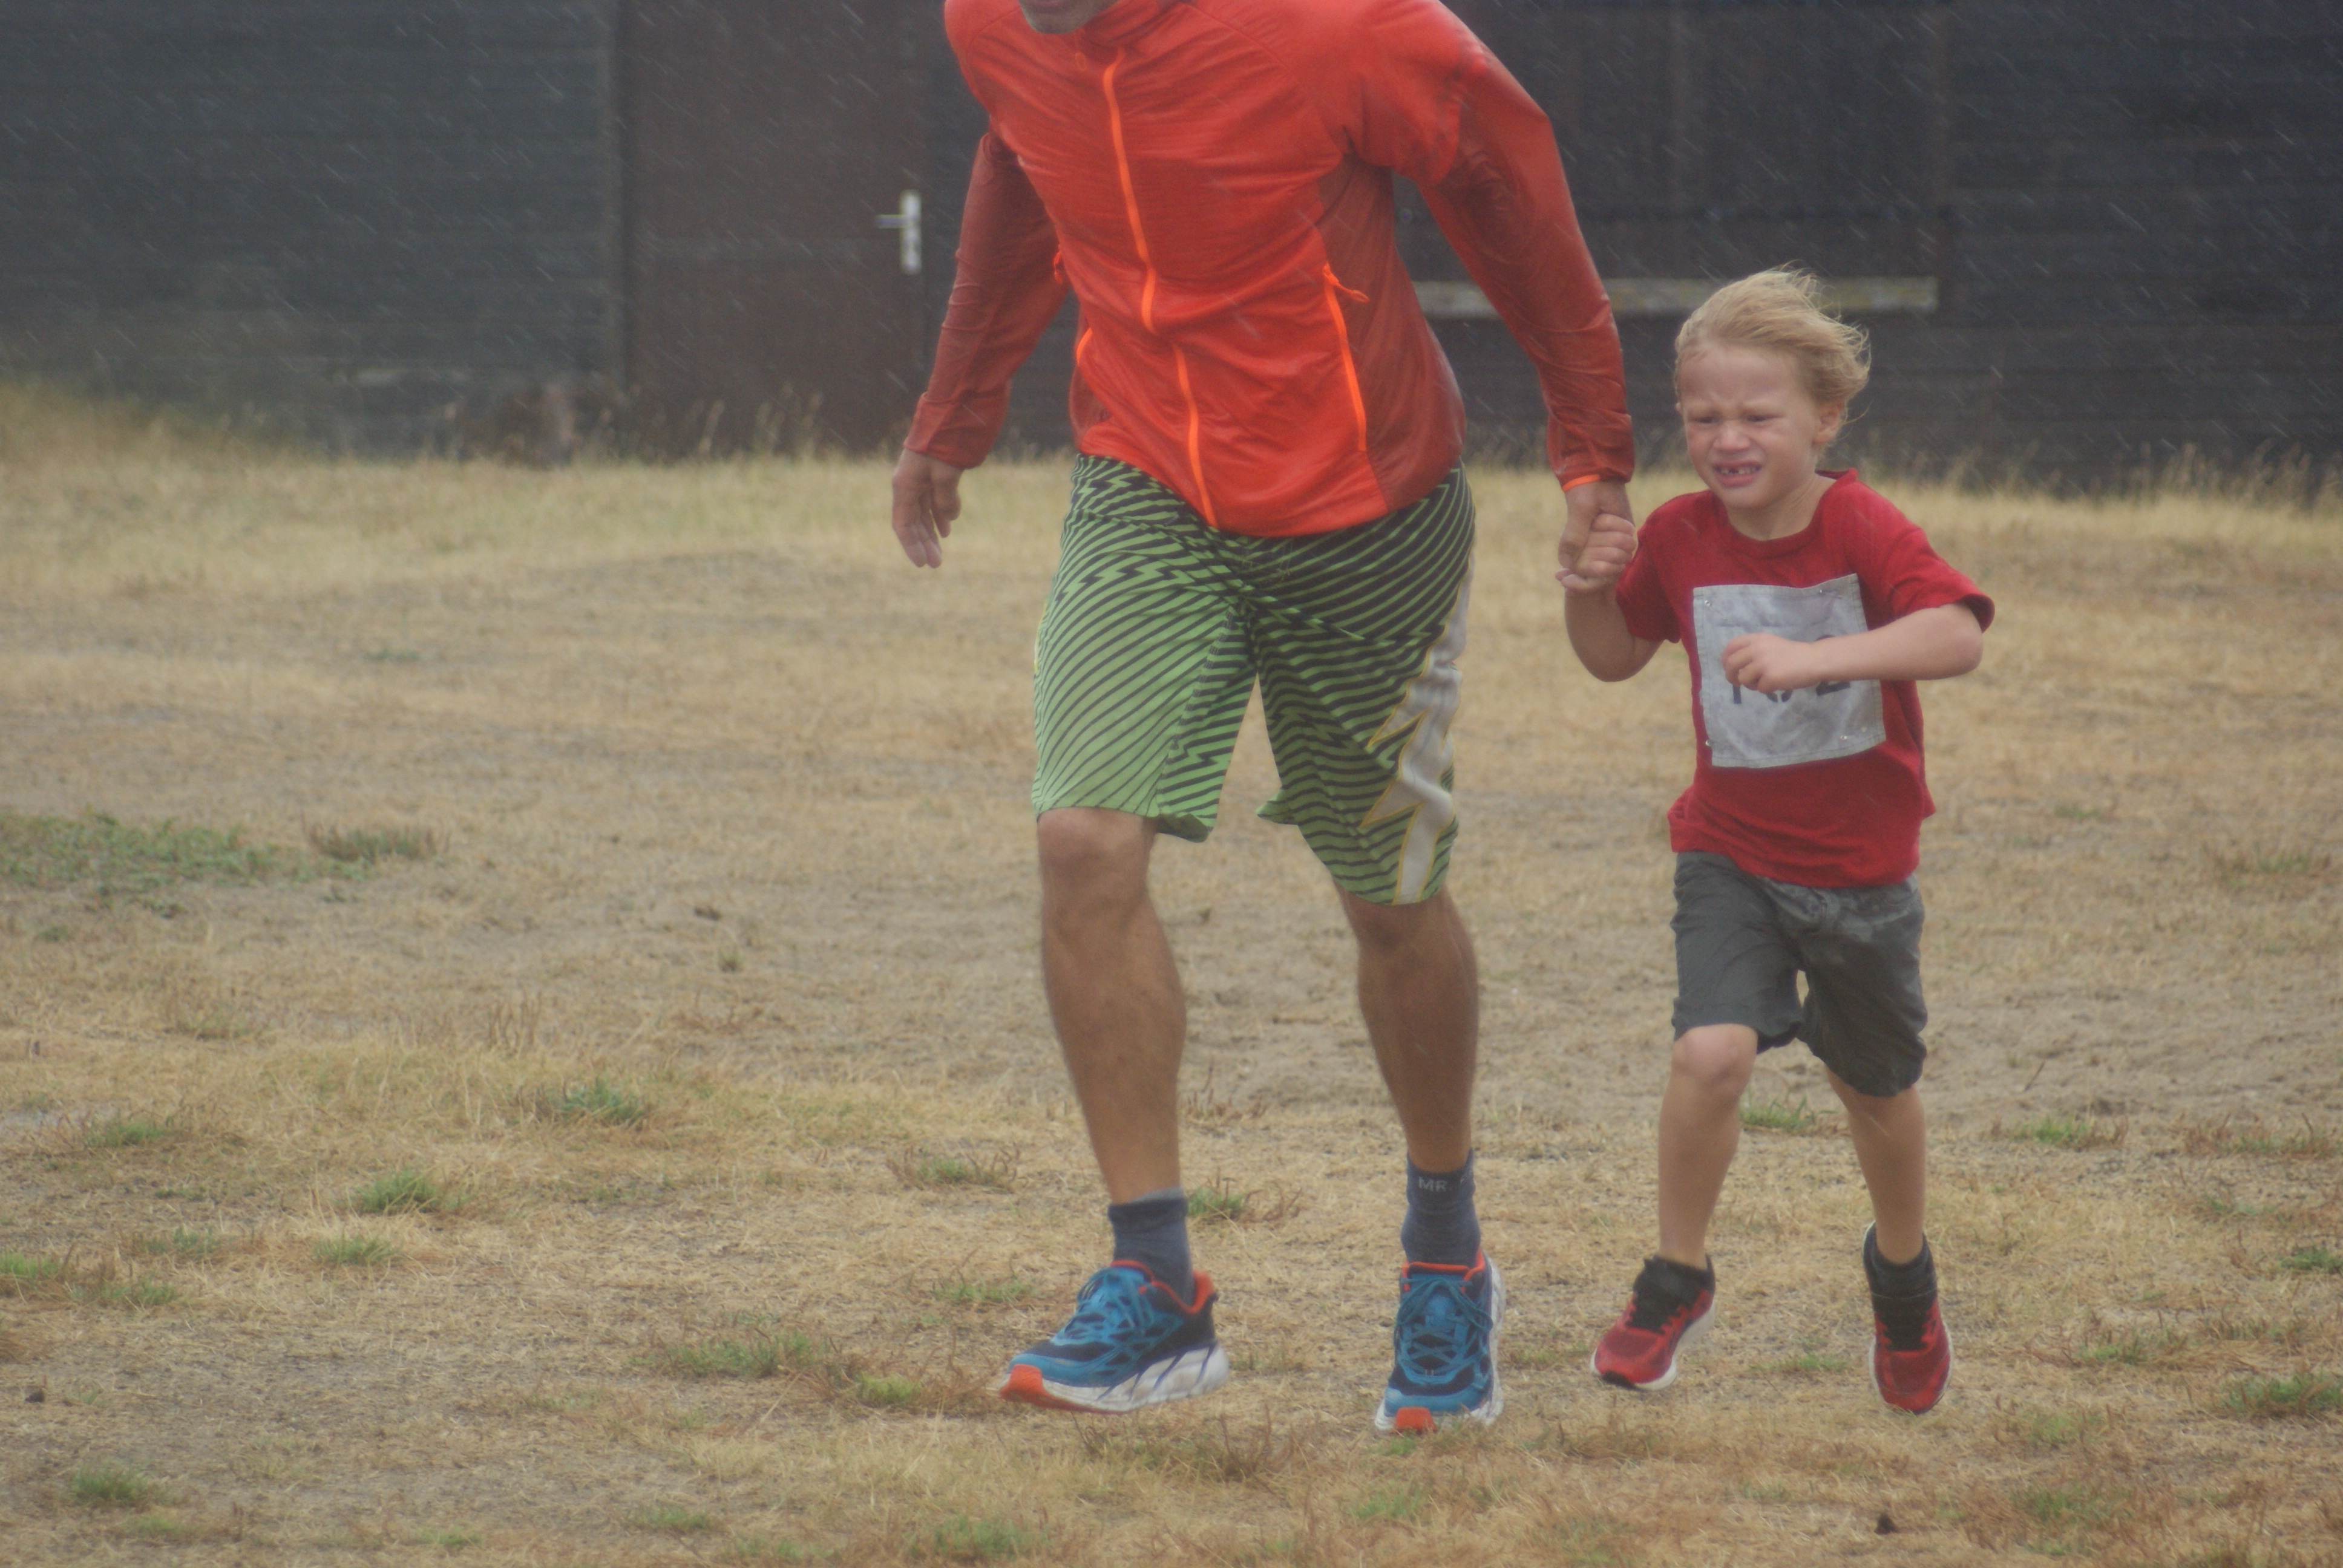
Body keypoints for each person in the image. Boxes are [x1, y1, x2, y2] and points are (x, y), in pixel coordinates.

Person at [889, 0, 1634, 1431]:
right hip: (1147, 486)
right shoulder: (993, 17)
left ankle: (1445, 1253)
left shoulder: (1337, 24)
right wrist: (954, 411)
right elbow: (1019, 165)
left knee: (1389, 900)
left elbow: (1507, 182)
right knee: (1081, 842)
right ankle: (1155, 1282)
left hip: (1368, 506)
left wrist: (1590, 445)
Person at [1559, 269, 1990, 1415]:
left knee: (1874, 1090)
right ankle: (1675, 1277)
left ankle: (1903, 1281)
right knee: (1710, 1054)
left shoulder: (1860, 524)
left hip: (1860, 874)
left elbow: (1956, 635)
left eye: (1758, 415)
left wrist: (1816, 659)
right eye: (1704, 416)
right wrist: (1586, 587)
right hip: (1731, 856)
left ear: (1824, 418)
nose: (1728, 438)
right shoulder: (1678, 534)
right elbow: (1611, 657)